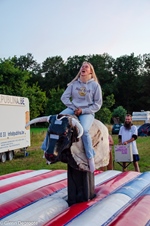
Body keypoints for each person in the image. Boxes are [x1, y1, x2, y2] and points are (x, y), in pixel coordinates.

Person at [60, 61, 103, 173]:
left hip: (87, 111)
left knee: (84, 130)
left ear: (90, 71)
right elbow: (64, 98)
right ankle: (47, 150)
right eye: (82, 66)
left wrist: (83, 110)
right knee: (57, 120)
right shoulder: (74, 84)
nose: (83, 68)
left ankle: (90, 158)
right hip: (73, 108)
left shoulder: (95, 86)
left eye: (86, 66)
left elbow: (97, 104)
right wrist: (73, 107)